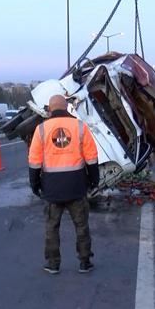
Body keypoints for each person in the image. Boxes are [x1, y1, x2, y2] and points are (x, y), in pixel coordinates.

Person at [28, 95, 100, 275]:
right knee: (81, 226)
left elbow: (34, 161)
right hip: (76, 186)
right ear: (67, 107)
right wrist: (94, 181)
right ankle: (85, 262)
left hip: (52, 188)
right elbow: (91, 158)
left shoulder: (41, 129)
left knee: (52, 227)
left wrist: (34, 184)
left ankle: (53, 264)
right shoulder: (80, 127)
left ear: (50, 109)